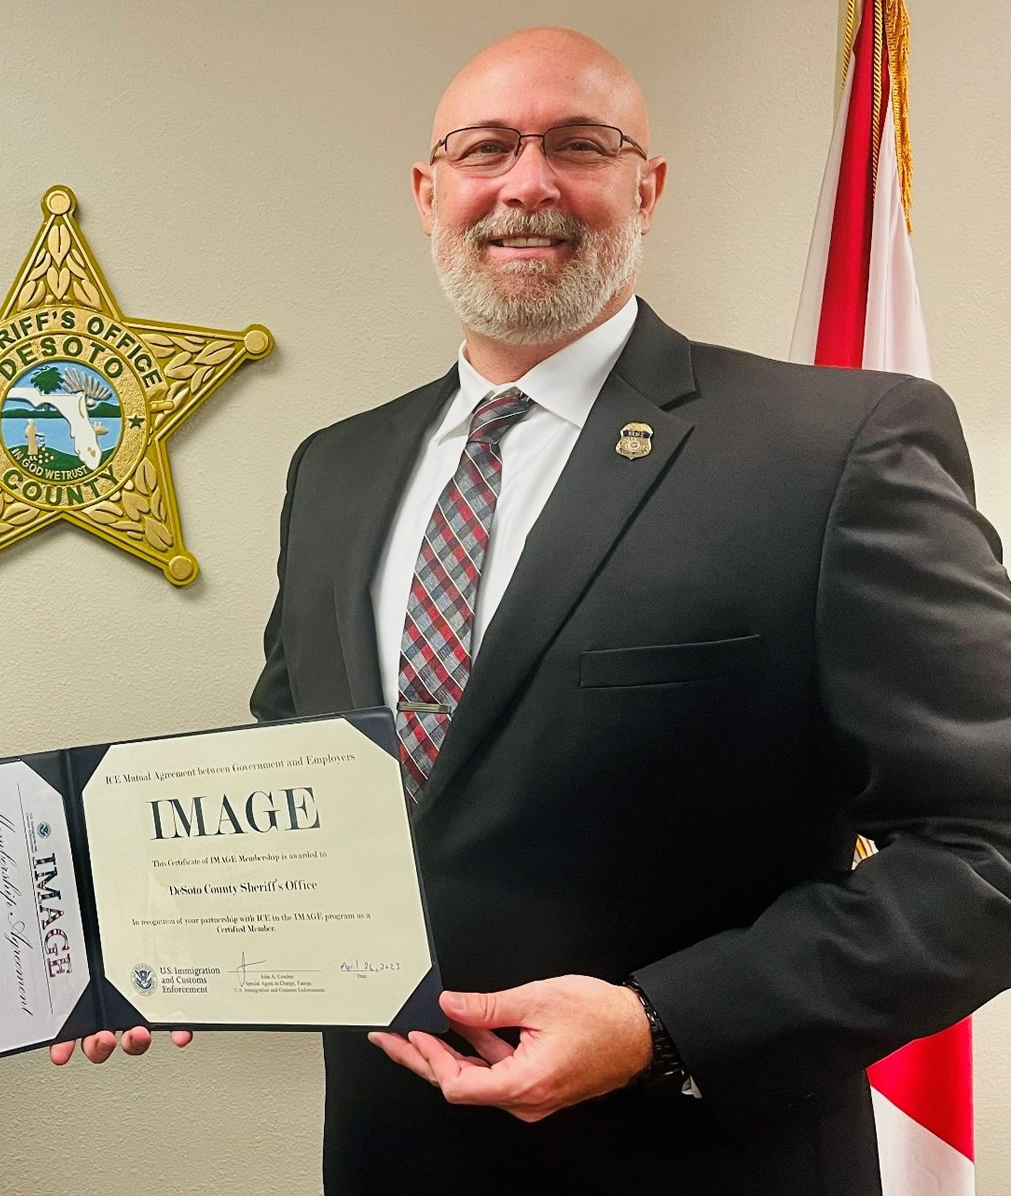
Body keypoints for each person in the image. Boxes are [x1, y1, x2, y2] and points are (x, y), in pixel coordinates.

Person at [249, 28, 1011, 1193]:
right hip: (387, 1153)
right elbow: (294, 776)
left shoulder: (833, 449)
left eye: (580, 145)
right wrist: (148, 953)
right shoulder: (334, 468)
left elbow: (993, 838)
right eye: (485, 149)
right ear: (427, 192)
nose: (527, 183)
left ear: (645, 187)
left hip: (703, 1154)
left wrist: (665, 1022)